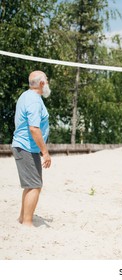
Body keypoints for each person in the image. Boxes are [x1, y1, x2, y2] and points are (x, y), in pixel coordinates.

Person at [12, 70, 52, 226]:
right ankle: (27, 223)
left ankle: (23, 218)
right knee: (35, 185)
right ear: (41, 83)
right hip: (26, 147)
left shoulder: (26, 96)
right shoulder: (34, 100)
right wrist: (45, 152)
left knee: (31, 185)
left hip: (26, 147)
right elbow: (34, 128)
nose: (48, 83)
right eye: (46, 80)